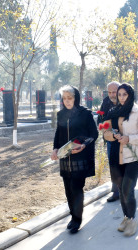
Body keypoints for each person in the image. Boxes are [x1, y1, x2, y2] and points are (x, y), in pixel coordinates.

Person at [103, 83, 138, 236]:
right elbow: (106, 132)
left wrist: (128, 138)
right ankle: (126, 217)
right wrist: (113, 135)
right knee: (120, 187)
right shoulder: (113, 111)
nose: (122, 98)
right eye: (120, 95)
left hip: (133, 157)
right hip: (116, 157)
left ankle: (132, 220)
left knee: (127, 190)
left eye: (125, 94)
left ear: (130, 95)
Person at [51, 85, 98, 234]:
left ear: (76, 98)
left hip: (80, 158)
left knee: (76, 189)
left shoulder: (85, 114)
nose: (67, 101)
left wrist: (84, 145)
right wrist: (55, 149)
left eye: (69, 98)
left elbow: (94, 134)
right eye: (64, 98)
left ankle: (76, 220)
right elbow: (58, 134)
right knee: (68, 190)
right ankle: (73, 216)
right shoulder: (61, 114)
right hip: (65, 159)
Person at [98, 81, 120, 203]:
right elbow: (100, 118)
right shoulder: (106, 101)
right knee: (113, 165)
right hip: (111, 139)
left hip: (124, 139)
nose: (112, 95)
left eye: (114, 92)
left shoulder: (125, 100)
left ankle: (125, 190)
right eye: (110, 92)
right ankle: (115, 191)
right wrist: (102, 127)